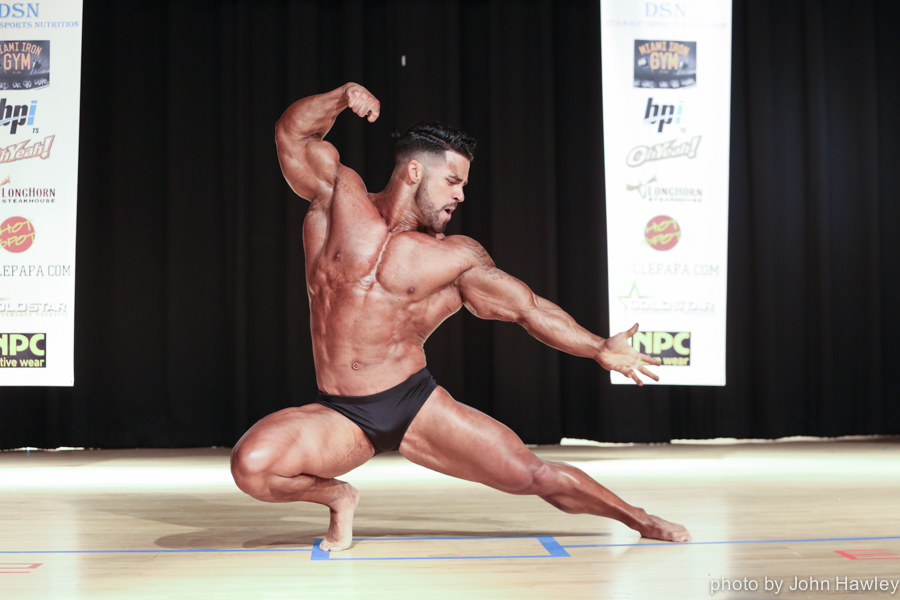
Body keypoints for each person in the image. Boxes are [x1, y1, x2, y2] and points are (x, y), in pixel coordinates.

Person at [230, 82, 691, 552]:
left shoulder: (456, 258)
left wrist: (598, 347)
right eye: (453, 181)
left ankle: (640, 519)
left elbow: (529, 309)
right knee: (253, 466)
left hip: (412, 404)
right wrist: (342, 97)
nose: (461, 195)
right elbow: (293, 134)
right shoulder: (336, 198)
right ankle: (338, 496)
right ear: (414, 171)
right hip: (340, 412)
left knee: (532, 475)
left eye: (464, 185)